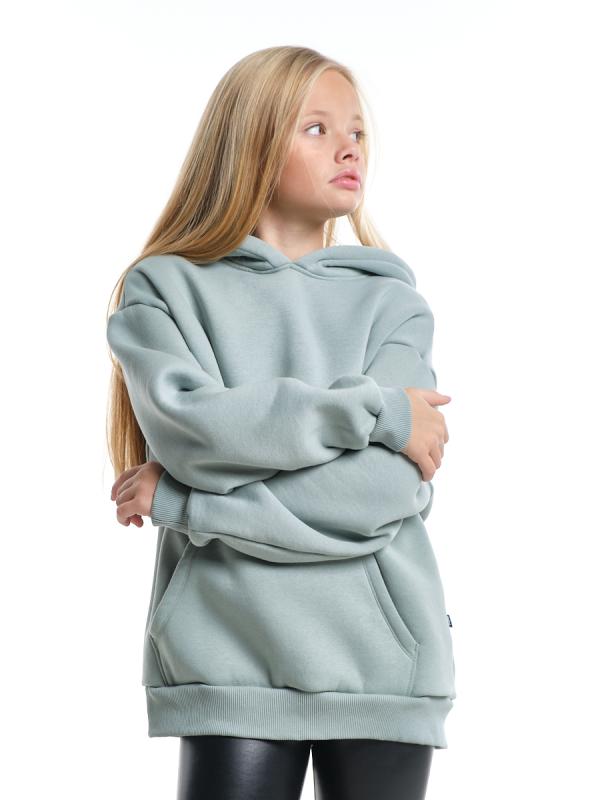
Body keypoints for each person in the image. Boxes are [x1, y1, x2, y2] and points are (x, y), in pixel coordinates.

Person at [105, 45, 456, 800]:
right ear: (250, 143)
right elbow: (195, 434)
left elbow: (379, 493)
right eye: (317, 128)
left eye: (357, 131)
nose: (350, 148)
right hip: (228, 657)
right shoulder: (163, 291)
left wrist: (189, 503)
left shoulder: (393, 304)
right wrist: (374, 412)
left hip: (381, 667)